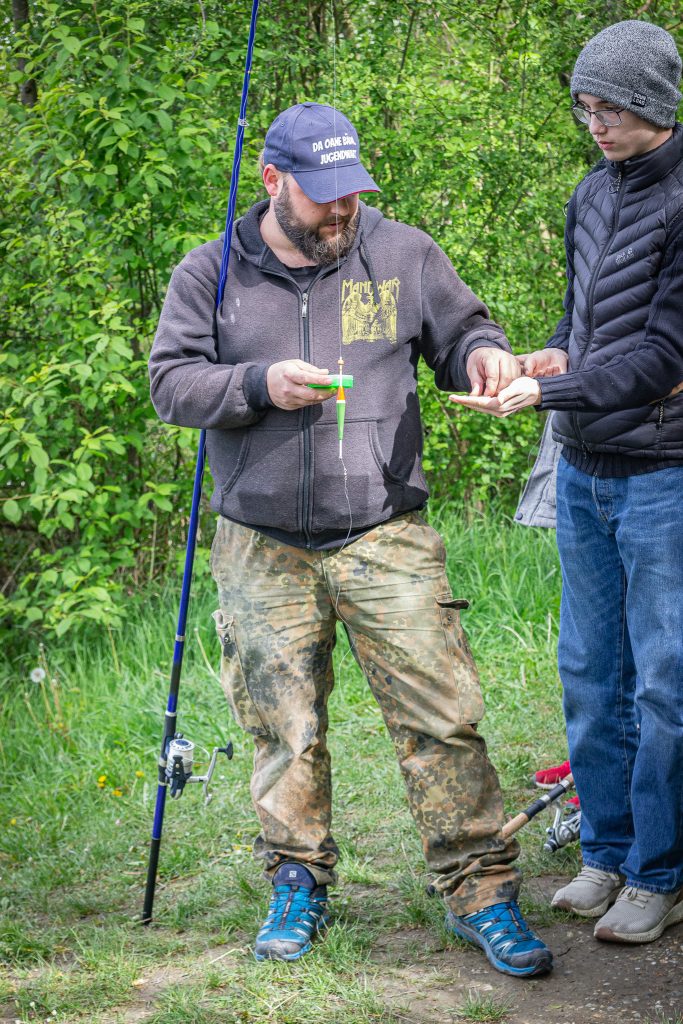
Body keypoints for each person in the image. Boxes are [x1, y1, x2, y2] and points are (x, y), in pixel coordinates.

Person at [149, 102, 553, 977]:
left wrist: (485, 356)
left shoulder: (402, 252)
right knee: (282, 728)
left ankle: (480, 890)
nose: (342, 210)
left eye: (353, 193)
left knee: (441, 720)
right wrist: (258, 383)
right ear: (273, 182)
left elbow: (464, 333)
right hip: (260, 541)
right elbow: (171, 384)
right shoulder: (209, 273)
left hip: (385, 531)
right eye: (324, 195)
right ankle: (298, 880)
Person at [451, 21, 683, 944]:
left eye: (611, 107)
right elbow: (586, 325)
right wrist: (547, 357)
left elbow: (663, 357)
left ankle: (660, 872)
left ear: (653, 102)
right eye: (585, 106)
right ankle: (607, 852)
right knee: (591, 674)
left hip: (663, 476)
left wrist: (547, 391)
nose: (596, 123)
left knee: (664, 683)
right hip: (583, 473)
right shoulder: (589, 191)